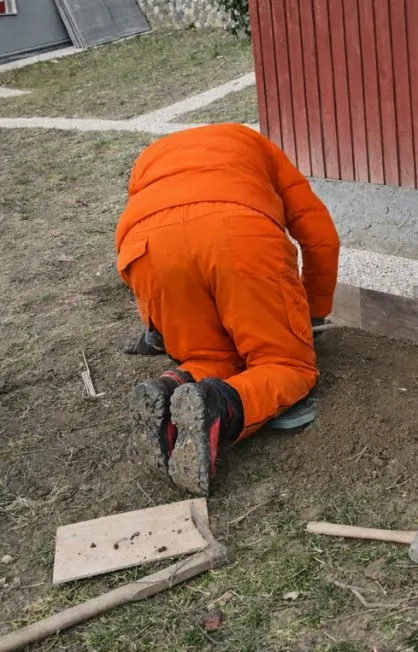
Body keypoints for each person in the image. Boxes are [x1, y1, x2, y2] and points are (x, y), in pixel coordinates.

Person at [115, 123, 340, 496]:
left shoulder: (149, 158)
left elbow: (147, 238)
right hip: (239, 238)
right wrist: (312, 312)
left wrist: (155, 328)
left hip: (148, 249)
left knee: (208, 357)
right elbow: (320, 236)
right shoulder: (261, 148)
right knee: (287, 366)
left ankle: (170, 389)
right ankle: (219, 409)